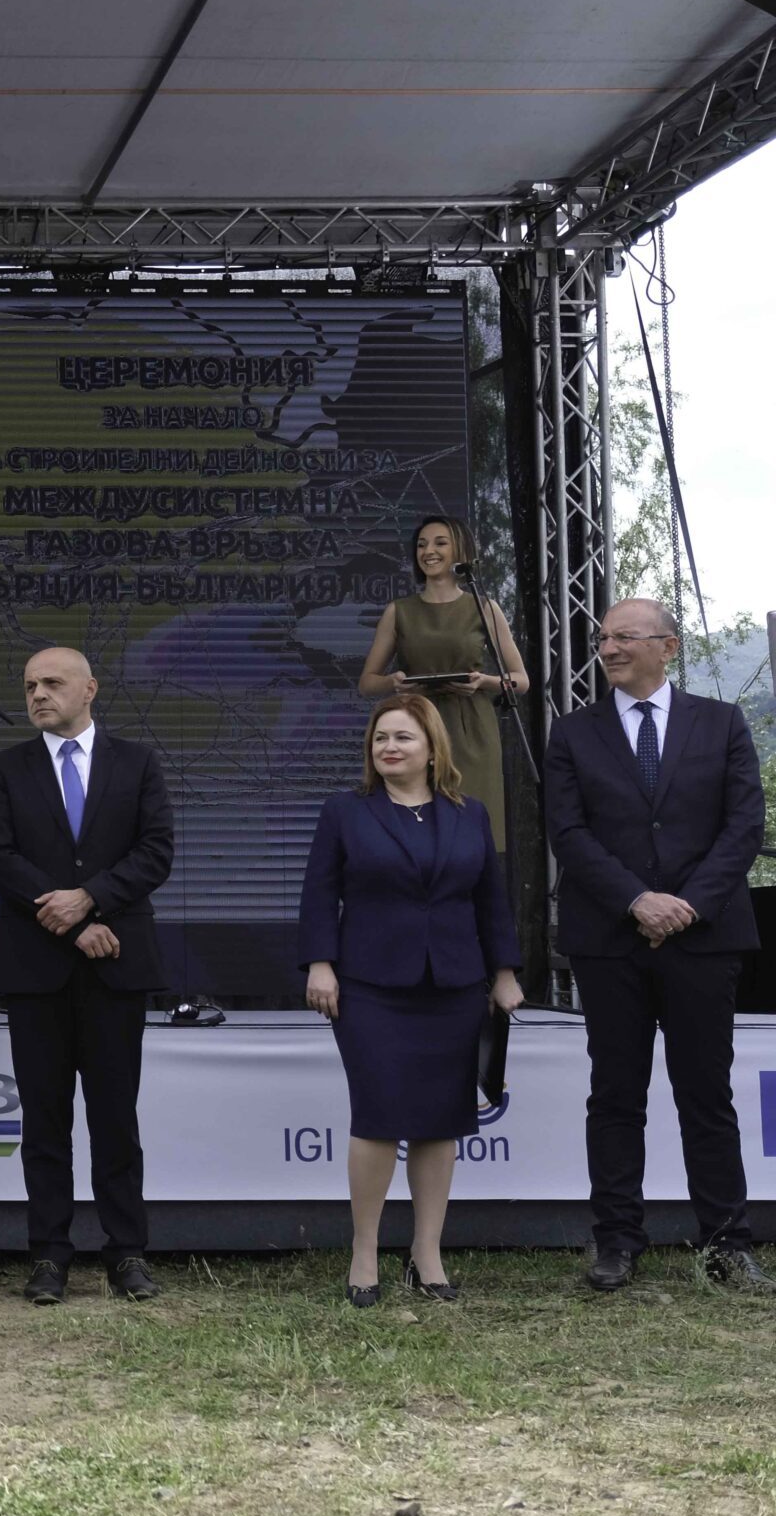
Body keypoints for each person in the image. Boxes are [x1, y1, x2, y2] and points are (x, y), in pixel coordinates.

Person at [547, 598, 769, 1293]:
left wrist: (687, 905)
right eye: (602, 638)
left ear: (668, 646)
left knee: (706, 1095)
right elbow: (568, 831)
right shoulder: (572, 732)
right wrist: (637, 900)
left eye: (624, 637)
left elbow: (744, 824)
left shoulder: (721, 722)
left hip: (704, 939)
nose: (608, 648)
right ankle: (617, 1241)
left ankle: (726, 1245)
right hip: (610, 939)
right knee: (616, 1095)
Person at [300, 696, 524, 1306]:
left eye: (402, 737)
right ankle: (365, 1252)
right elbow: (319, 893)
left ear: (431, 749)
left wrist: (504, 974)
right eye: (380, 738)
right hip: (368, 988)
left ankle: (427, 1253)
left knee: (441, 1121)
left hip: (454, 988)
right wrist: (320, 964)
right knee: (377, 1117)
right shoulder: (346, 812)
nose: (389, 747)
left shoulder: (469, 813)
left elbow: (491, 901)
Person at [0, 646, 175, 1304]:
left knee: (116, 1119)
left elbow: (156, 851)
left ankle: (127, 1252)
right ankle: (48, 1255)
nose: (38, 694)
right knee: (44, 1122)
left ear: (89, 688)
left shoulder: (137, 762)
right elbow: (0, 858)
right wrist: (70, 921)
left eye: (52, 683)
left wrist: (89, 898)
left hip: (116, 965)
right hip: (38, 971)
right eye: (29, 684)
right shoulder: (6, 768)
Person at [357, 516, 530, 853]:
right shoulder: (399, 611)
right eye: (422, 545)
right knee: (416, 829)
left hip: (471, 728)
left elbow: (520, 680)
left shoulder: (484, 607)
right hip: (416, 724)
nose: (428, 551)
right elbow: (367, 682)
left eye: (440, 543)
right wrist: (394, 682)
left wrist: (484, 682)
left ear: (460, 550)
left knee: (470, 832)